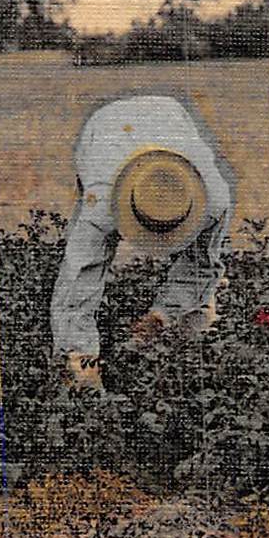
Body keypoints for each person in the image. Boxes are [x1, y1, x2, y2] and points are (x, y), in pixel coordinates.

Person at [51, 94, 236, 391]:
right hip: (107, 130)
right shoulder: (102, 203)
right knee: (83, 257)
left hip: (168, 116)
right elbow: (79, 280)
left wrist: (161, 316)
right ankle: (78, 380)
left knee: (200, 306)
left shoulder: (213, 202)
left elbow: (201, 268)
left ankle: (196, 366)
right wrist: (80, 358)